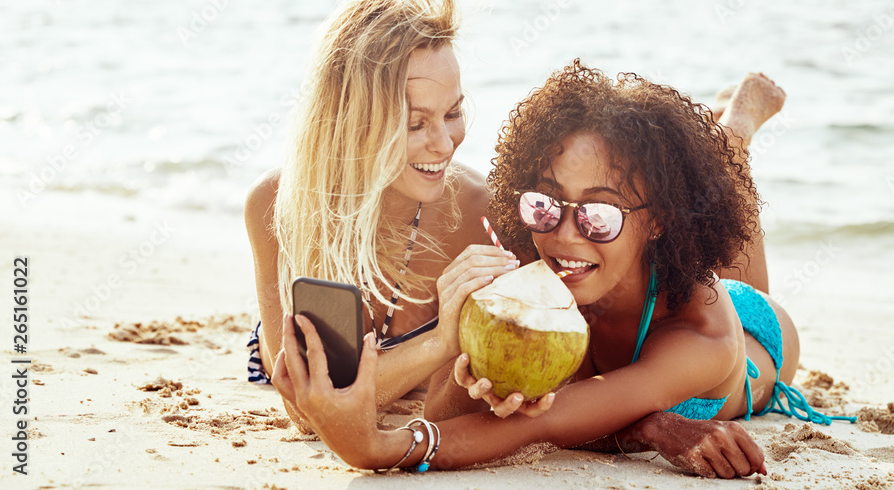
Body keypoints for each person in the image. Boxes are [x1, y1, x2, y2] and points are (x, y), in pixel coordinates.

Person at [272, 60, 853, 475]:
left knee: (722, 222)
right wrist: (462, 355)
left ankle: (737, 127)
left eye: (599, 214)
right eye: (546, 202)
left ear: (655, 219)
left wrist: (377, 448)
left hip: (751, 340)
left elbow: (545, 424)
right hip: (639, 272)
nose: (565, 235)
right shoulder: (536, 253)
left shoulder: (703, 335)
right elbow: (458, 407)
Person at [244, 0, 517, 425]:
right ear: (353, 123)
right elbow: (308, 410)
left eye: (452, 113)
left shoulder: (479, 216)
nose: (445, 143)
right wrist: (441, 341)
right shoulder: (276, 206)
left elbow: (456, 407)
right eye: (415, 124)